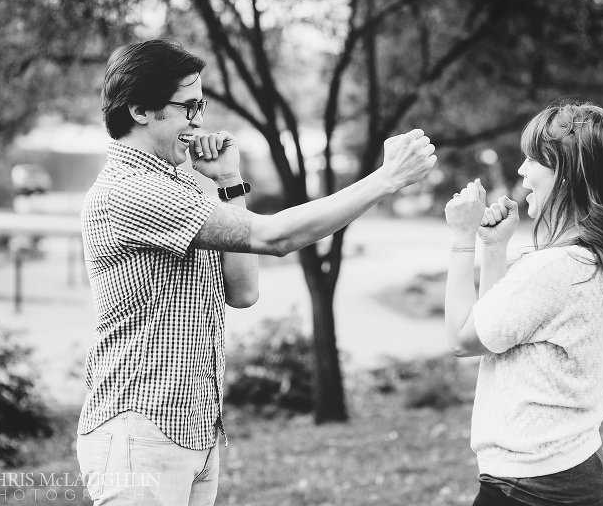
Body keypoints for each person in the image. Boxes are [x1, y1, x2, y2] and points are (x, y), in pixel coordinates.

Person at [77, 38, 436, 506]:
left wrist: (227, 182)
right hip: (137, 435)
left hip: (194, 432)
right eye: (187, 107)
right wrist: (384, 179)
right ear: (141, 109)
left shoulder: (183, 183)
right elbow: (275, 238)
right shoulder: (131, 191)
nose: (198, 121)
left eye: (200, 105)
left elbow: (243, 291)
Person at [443, 103, 603, 506]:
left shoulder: (554, 267)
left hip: (530, 487)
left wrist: (462, 238)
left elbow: (463, 337)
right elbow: (497, 333)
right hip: (576, 474)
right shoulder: (599, 258)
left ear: (565, 172)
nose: (522, 170)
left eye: (532, 159)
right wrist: (494, 249)